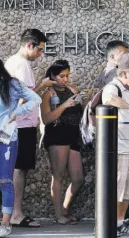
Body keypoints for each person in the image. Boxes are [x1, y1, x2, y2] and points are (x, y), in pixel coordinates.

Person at [0, 52, 42, 236]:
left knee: (5, 180)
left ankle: (5, 223)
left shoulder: (12, 84)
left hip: (6, 139)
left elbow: (36, 99)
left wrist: (16, 113)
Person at [95, 40, 129, 226]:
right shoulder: (113, 87)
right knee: (116, 191)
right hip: (117, 149)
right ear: (125, 72)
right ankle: (109, 225)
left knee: (128, 191)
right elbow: (109, 99)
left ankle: (119, 223)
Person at [5, 28, 52, 228]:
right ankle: (16, 213)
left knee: (16, 168)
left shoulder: (11, 62)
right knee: (19, 169)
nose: (40, 54)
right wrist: (42, 86)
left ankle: (12, 213)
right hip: (21, 125)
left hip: (16, 123)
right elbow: (24, 96)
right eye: (39, 50)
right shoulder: (22, 64)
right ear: (29, 45)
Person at [40, 60, 85, 225]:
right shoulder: (48, 93)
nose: (65, 79)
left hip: (72, 135)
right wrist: (65, 105)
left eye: (67, 75)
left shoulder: (72, 89)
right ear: (53, 76)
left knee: (78, 178)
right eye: (61, 76)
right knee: (58, 175)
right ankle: (59, 215)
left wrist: (84, 99)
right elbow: (46, 119)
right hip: (57, 135)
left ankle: (64, 209)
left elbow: (83, 109)